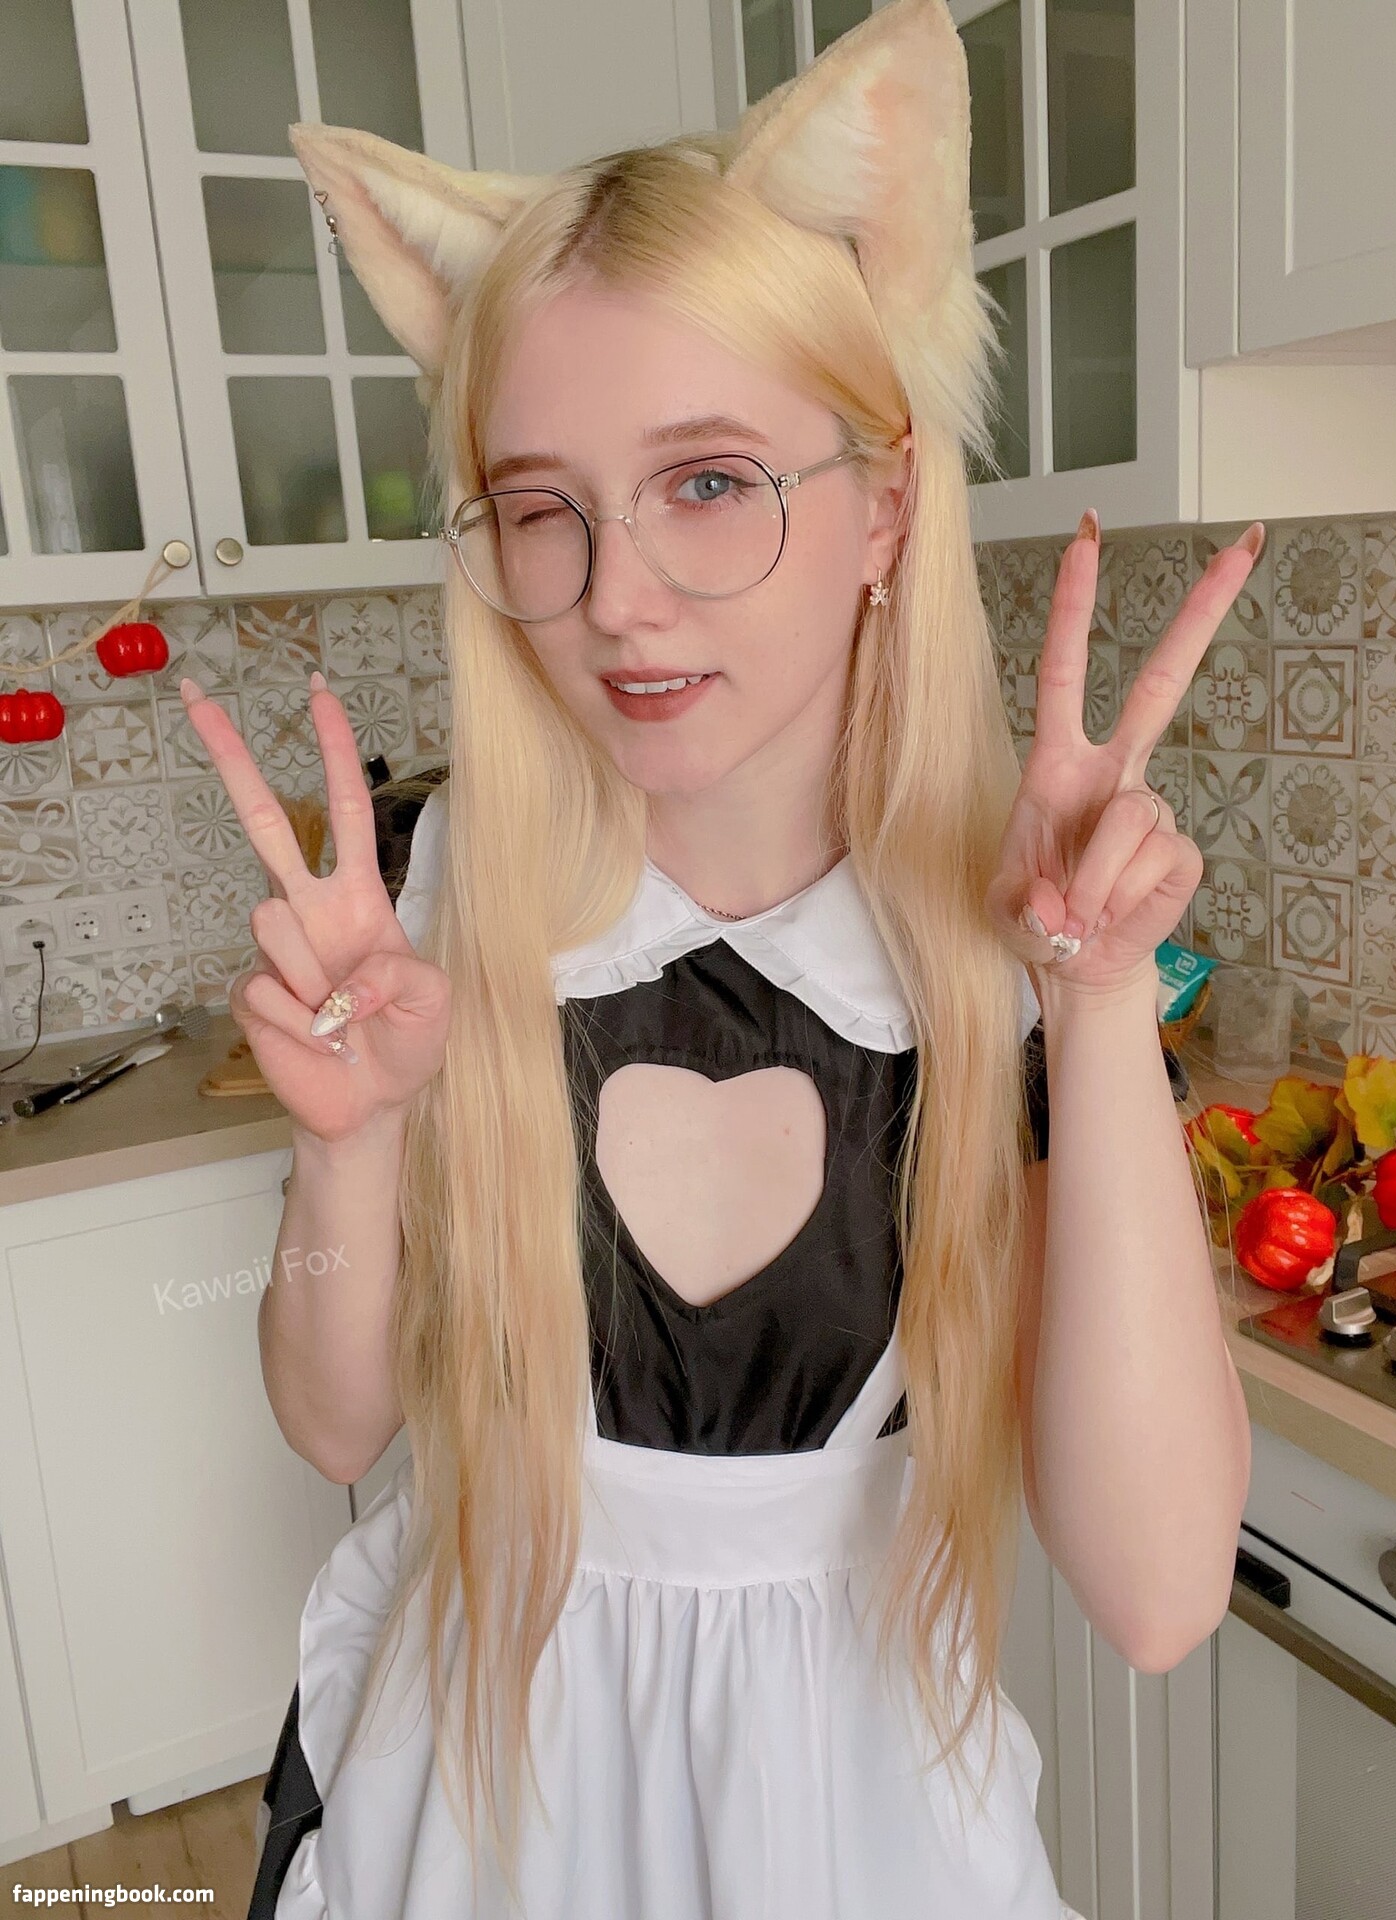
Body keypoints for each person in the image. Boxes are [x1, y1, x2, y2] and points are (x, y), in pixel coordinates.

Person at [181, 2, 1260, 1913]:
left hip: (845, 1826)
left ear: (885, 507)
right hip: (472, 1807)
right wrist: (347, 1147)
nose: (616, 600)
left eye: (707, 481)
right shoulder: (454, 907)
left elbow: (1163, 1595)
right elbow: (337, 1419)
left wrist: (1095, 1006)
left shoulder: (1004, 959)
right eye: (543, 507)